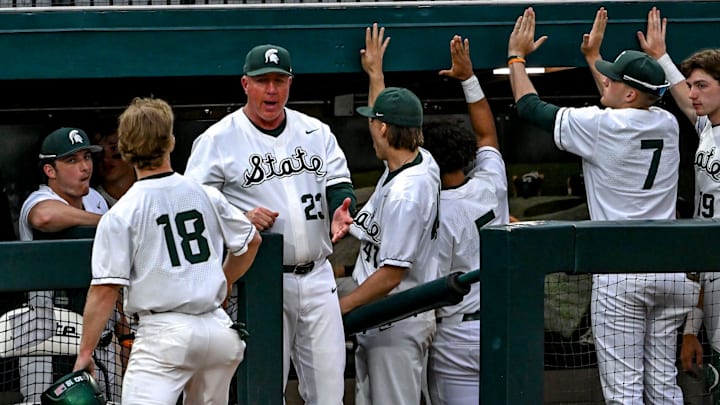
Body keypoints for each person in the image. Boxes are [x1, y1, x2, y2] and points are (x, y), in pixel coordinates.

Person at [507, 7, 698, 403]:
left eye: (612, 77)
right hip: (670, 269)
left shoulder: (600, 125)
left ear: (628, 93)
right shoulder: (664, 121)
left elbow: (529, 107)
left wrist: (516, 58)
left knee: (624, 392)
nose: (604, 79)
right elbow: (626, 99)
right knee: (663, 385)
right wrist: (594, 59)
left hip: (621, 270)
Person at [184, 44, 355, 404]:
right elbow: (192, 208)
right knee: (263, 389)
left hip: (319, 275)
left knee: (330, 395)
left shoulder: (315, 131)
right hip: (262, 281)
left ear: (291, 83)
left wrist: (342, 207)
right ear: (246, 84)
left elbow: (338, 181)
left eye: (280, 80)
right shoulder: (217, 140)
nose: (272, 90)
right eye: (263, 81)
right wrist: (238, 219)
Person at [72, 97, 261, 404]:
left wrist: (85, 352)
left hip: (164, 335)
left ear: (126, 146)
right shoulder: (204, 193)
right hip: (218, 333)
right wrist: (224, 283)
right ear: (170, 141)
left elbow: (106, 289)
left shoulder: (122, 212)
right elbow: (251, 241)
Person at [338, 23, 441, 405]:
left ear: (384, 129)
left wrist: (341, 309)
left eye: (374, 122)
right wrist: (376, 75)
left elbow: (391, 274)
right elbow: (385, 117)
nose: (371, 127)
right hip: (390, 318)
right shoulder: (418, 158)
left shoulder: (406, 193)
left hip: (396, 318)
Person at [421, 34, 509, 405]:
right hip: (506, 324)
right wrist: (468, 78)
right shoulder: (492, 183)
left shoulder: (434, 211)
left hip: (458, 336)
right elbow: (487, 132)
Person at [637, 6, 720, 400]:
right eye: (691, 84)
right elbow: (682, 99)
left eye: (702, 85)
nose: (693, 93)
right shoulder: (707, 126)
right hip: (709, 263)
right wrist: (660, 57)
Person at [17, 127, 112, 403]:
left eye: (87, 157)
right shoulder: (38, 199)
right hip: (45, 335)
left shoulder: (96, 199)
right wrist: (108, 222)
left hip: (96, 329)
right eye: (71, 161)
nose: (84, 167)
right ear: (50, 170)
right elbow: (44, 217)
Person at [93, 128, 136, 207]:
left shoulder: (152, 191)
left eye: (114, 149)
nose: (105, 159)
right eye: (99, 153)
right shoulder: (91, 201)